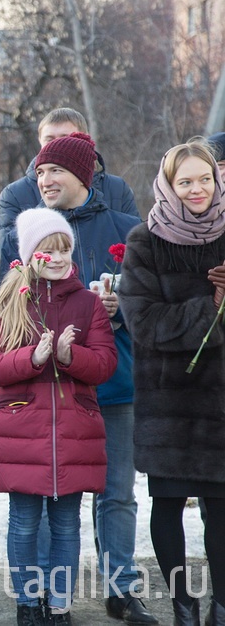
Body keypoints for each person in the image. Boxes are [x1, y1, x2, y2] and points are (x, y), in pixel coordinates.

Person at [0, 132, 154, 624]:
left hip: (114, 382)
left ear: (83, 176)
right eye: (40, 171)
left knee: (116, 494)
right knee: (49, 496)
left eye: (55, 171)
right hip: (50, 393)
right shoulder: (24, 234)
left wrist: (119, 306)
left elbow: (148, 301)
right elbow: (11, 306)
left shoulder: (129, 231)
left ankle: (121, 589)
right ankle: (44, 595)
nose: (44, 179)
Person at [0, 208, 116, 626]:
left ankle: (59, 605)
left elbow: (105, 364)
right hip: (23, 430)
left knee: (66, 525)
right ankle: (27, 601)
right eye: (47, 250)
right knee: (23, 523)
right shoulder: (7, 302)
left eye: (64, 250)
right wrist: (33, 357)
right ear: (29, 253)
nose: (57, 258)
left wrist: (68, 355)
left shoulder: (88, 303)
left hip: (75, 433)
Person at [120, 138, 225, 626]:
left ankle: (221, 605)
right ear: (168, 184)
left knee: (221, 509)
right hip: (168, 398)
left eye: (205, 178)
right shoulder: (146, 240)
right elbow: (144, 322)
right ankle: (184, 605)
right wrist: (212, 307)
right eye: (185, 181)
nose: (197, 189)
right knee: (167, 506)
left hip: (221, 402)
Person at [0, 107, 138, 277]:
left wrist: (117, 300)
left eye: (56, 170)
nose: (46, 182)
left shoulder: (128, 225)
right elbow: (12, 292)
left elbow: (144, 291)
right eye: (40, 173)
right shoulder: (16, 229)